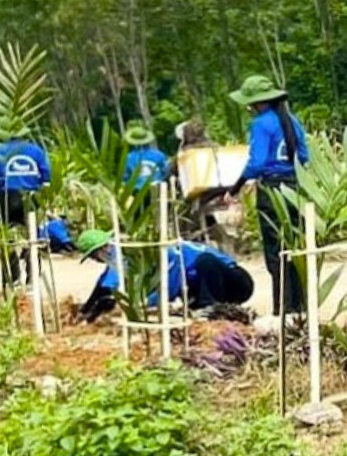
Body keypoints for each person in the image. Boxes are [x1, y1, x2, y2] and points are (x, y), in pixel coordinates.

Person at [224, 75, 310, 319]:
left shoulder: (261, 123)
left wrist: (235, 187)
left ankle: (282, 308)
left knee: (276, 251)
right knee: (295, 248)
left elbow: (257, 163)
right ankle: (299, 306)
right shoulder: (291, 121)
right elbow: (304, 157)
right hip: (295, 189)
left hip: (272, 190)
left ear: (256, 103)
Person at [75, 229, 253, 319]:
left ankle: (211, 308)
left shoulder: (124, 252)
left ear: (101, 250)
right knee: (192, 283)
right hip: (204, 284)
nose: (95, 261)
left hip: (235, 282)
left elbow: (110, 289)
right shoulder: (121, 254)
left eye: (93, 256)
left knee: (204, 261)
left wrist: (148, 302)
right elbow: (104, 283)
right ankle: (205, 307)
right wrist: (85, 309)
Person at [122, 123, 172, 189]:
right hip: (156, 188)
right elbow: (166, 172)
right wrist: (159, 180)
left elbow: (125, 177)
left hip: (135, 191)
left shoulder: (128, 157)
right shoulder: (159, 155)